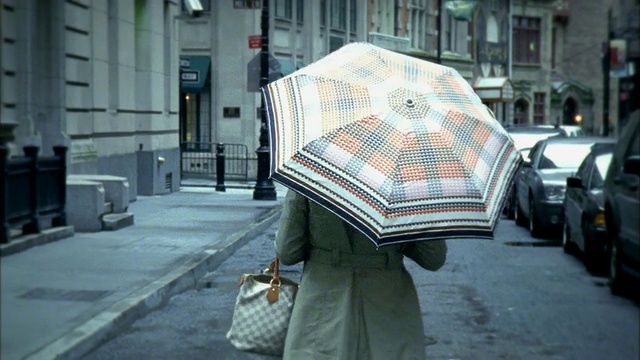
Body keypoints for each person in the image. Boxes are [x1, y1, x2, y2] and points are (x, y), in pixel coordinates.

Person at [275, 190, 448, 360]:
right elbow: (433, 258)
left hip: (322, 305)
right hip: (389, 308)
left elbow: (288, 252)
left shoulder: (309, 175)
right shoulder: (409, 185)